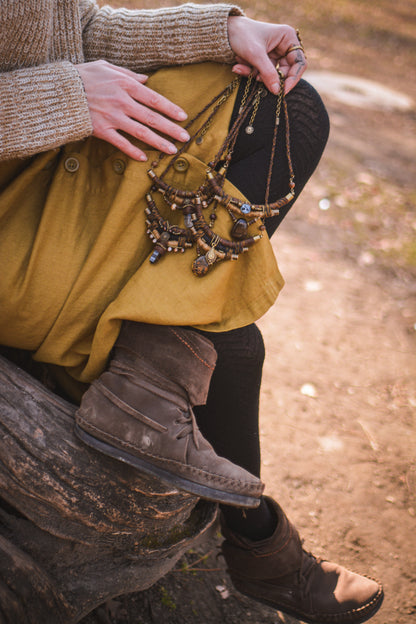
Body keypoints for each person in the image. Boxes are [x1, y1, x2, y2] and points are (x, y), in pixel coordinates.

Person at [0, 1, 383, 622]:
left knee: (286, 109)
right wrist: (60, 97)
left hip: (38, 166)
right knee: (233, 348)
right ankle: (261, 547)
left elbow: (75, 28)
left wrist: (223, 31)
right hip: (19, 197)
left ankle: (151, 368)